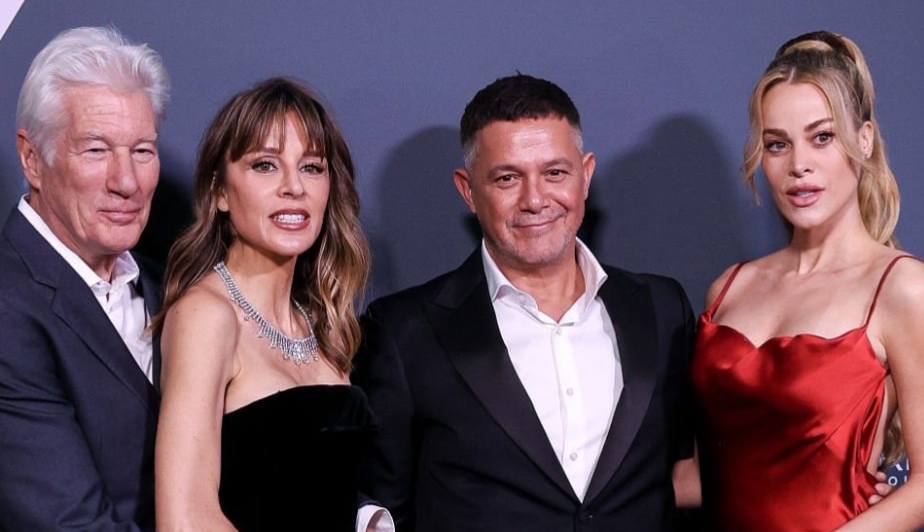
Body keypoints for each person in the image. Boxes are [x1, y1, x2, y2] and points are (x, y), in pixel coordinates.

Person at [352, 73, 697, 531]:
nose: (535, 200)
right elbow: (378, 504)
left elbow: (688, 474)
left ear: (585, 176)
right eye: (507, 178)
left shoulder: (661, 309)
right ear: (468, 190)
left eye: (555, 173)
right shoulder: (404, 332)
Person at [691, 31, 924, 531]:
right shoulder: (729, 288)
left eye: (822, 137)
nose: (799, 165)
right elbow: (707, 474)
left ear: (864, 139)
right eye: (778, 144)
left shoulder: (903, 288)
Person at [154, 77, 392, 532]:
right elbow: (186, 519)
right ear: (220, 191)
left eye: (312, 167)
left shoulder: (323, 322)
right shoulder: (207, 316)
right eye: (265, 165)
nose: (293, 187)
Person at [0, 26, 168, 531]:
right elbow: (69, 523)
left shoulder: (176, 290)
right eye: (96, 150)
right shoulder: (8, 308)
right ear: (32, 159)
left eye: (142, 150)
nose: (126, 181)